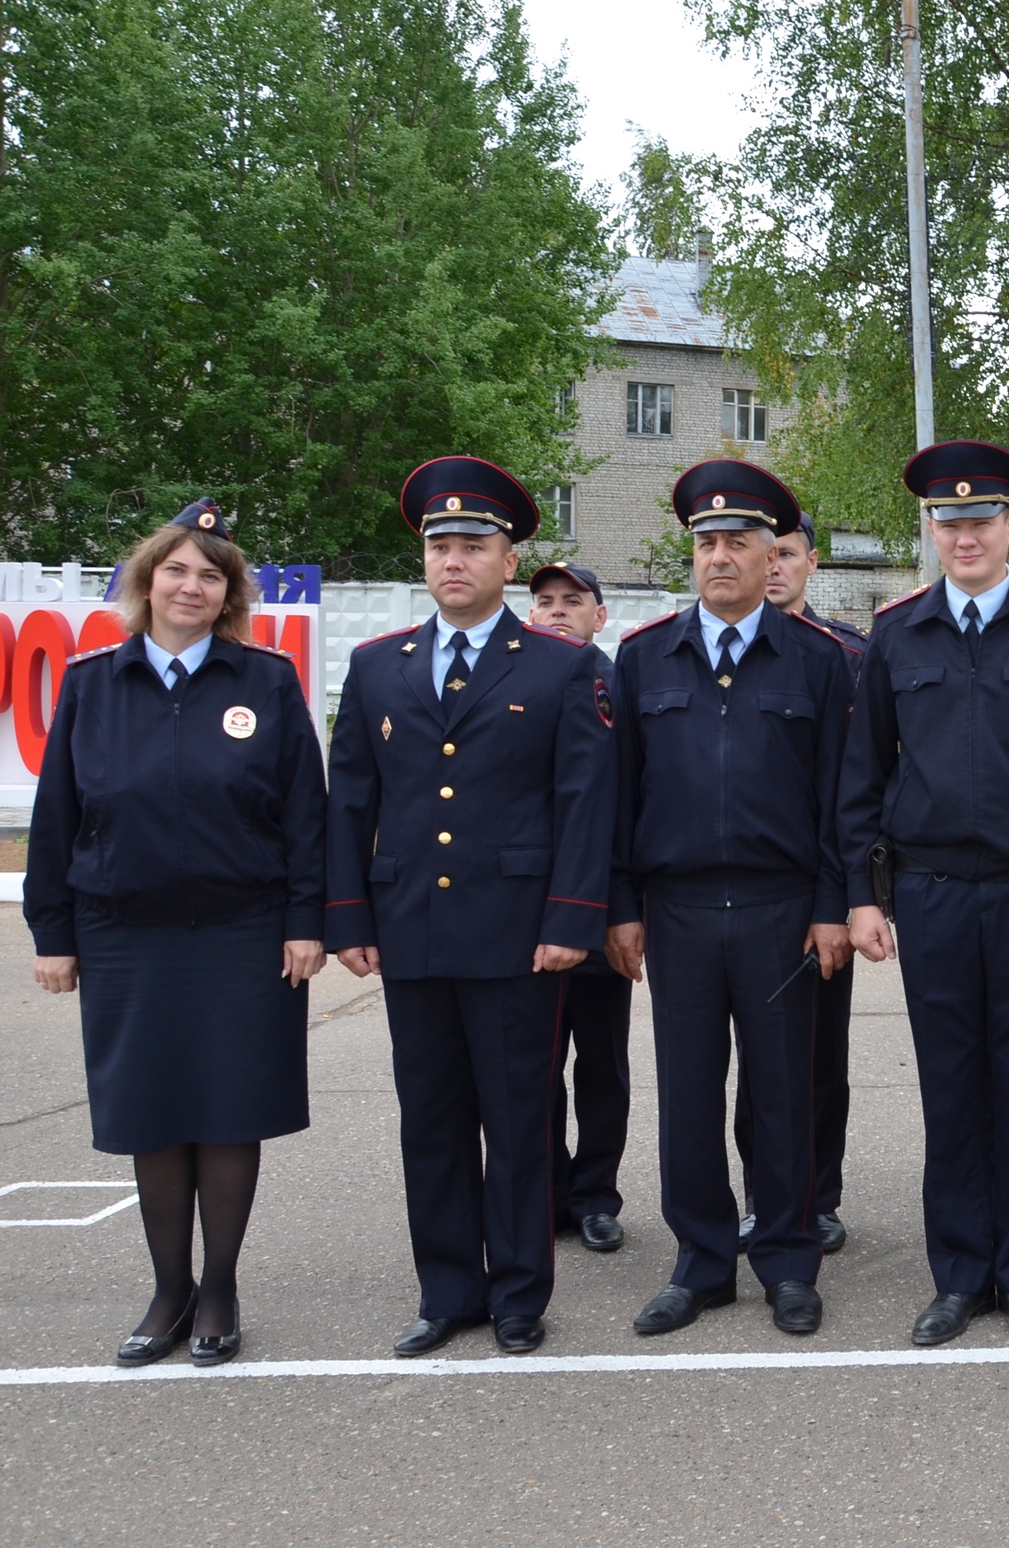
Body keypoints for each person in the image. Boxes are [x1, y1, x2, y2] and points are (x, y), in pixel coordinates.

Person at [326, 458, 616, 1358]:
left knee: (520, 1120)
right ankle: (448, 1289)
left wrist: (571, 920)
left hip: (519, 934)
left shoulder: (564, 666)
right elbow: (349, 801)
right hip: (411, 928)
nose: (454, 560)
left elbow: (586, 803)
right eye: (439, 545)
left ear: (510, 557)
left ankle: (520, 1292)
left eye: (473, 545)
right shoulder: (377, 667)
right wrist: (347, 915)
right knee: (433, 1119)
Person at [24, 500, 325, 1368]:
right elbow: (58, 817)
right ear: (146, 580)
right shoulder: (91, 682)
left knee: (230, 1112)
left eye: (211, 574)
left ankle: (220, 1288)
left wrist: (306, 919)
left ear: (229, 593)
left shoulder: (263, 680)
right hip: (125, 933)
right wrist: (54, 931)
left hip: (244, 931)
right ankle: (169, 1289)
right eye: (177, 570)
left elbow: (306, 814)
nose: (191, 586)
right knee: (152, 1113)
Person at [841, 440, 1009, 1348]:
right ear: (933, 529)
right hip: (934, 895)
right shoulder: (898, 633)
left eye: (980, 520)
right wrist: (864, 895)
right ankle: (959, 1277)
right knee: (951, 1090)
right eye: (947, 522)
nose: (965, 535)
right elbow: (863, 777)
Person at [606, 462, 853, 1338]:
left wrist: (834, 904)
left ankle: (788, 1260)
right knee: (688, 1094)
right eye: (705, 544)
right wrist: (622, 906)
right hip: (674, 912)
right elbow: (619, 796)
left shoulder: (822, 661)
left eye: (737, 544)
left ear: (768, 556)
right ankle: (701, 1262)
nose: (719, 557)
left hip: (783, 910)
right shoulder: (641, 661)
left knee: (784, 1092)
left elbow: (839, 800)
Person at [733, 511, 869, 1257]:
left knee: (818, 1056)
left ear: (811, 563)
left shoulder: (846, 655)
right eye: (766, 553)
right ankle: (763, 1194)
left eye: (786, 553)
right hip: (745, 892)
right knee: (756, 1064)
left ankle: (818, 1195)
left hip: (820, 891)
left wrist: (853, 897)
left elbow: (859, 788)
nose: (774, 566)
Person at [522, 561, 634, 1257]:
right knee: (533, 1067)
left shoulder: (619, 683)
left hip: (597, 910)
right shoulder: (519, 678)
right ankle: (545, 1193)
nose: (557, 612)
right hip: (524, 912)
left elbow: (622, 807)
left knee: (600, 1066)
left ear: (600, 615)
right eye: (544, 602)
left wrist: (624, 906)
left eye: (573, 602)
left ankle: (595, 1196)